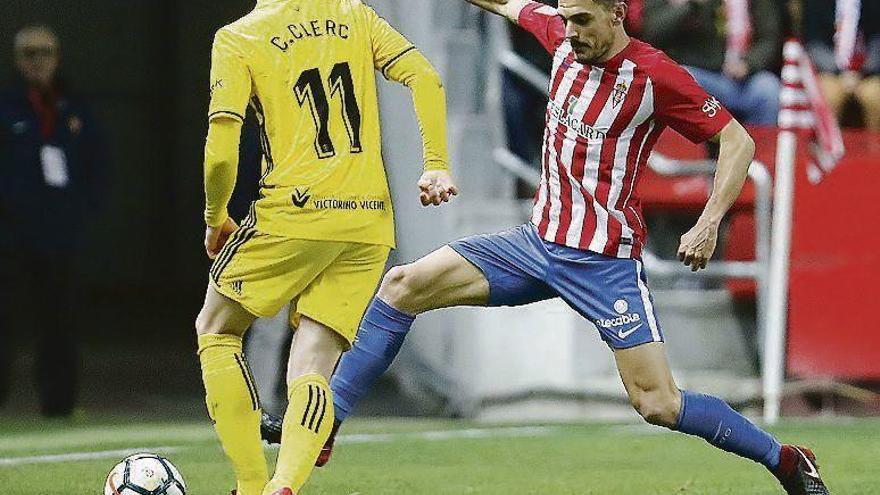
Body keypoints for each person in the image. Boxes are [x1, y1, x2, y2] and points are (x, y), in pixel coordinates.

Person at [265, 1, 832, 494]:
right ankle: (325, 422)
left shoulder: (655, 76)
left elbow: (734, 142)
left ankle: (784, 459)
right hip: (536, 245)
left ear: (616, 14)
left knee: (658, 403)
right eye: (565, 18)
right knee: (401, 286)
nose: (572, 31)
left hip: (603, 263)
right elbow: (507, 3)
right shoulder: (558, 33)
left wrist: (709, 220)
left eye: (583, 19)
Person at [194, 0, 455, 493]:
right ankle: (285, 485)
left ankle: (251, 484)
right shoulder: (356, 15)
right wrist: (435, 161)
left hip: (293, 212)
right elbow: (425, 76)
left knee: (217, 328)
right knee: (313, 362)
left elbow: (221, 147)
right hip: (366, 223)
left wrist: (216, 216)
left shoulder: (239, 37)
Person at [0, 25, 107, 417]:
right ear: (17, 59)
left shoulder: (74, 106)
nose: (37, 60)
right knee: (4, 322)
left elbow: (98, 165)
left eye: (44, 52)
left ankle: (59, 403)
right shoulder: (6, 105)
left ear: (57, 56)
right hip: (10, 236)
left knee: (60, 322)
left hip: (61, 235)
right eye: (29, 53)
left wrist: (83, 211)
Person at [641, 0, 782, 126]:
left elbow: (769, 39)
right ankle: (688, 153)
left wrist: (748, 64)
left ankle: (755, 152)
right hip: (700, 74)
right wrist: (690, 5)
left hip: (745, 78)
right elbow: (652, 32)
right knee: (677, 82)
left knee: (769, 89)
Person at [801, 0, 880, 129]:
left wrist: (861, 71)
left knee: (874, 97)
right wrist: (841, 71)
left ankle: (874, 147)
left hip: (867, 73)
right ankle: (832, 148)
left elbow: (877, 42)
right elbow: (814, 44)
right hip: (830, 71)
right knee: (830, 96)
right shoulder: (816, 4)